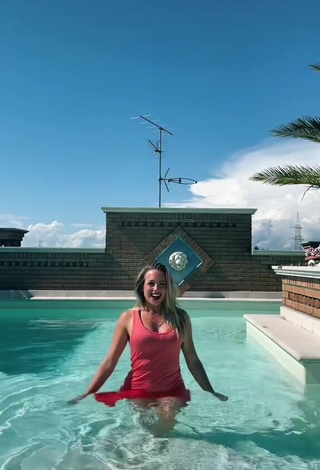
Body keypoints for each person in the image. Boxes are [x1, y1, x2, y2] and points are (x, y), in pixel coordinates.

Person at [70, 263, 228, 434]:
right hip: (138, 390)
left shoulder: (181, 318)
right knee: (143, 433)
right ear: (141, 286)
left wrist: (210, 391)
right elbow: (110, 361)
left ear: (168, 289)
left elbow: (193, 359)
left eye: (162, 284)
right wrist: (88, 393)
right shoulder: (128, 318)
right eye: (151, 283)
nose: (156, 289)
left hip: (172, 390)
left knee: (165, 425)